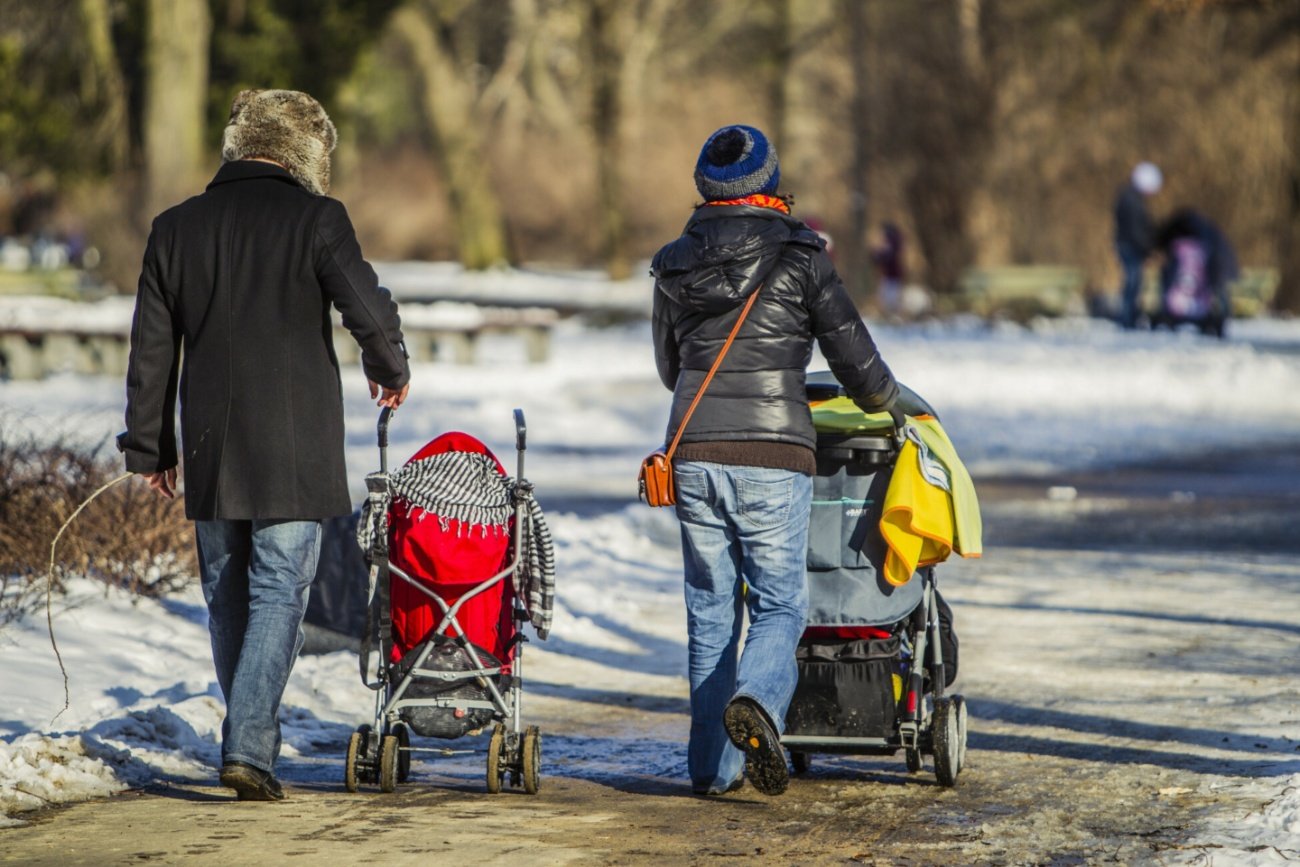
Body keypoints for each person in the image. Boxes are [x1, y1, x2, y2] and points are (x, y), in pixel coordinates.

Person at [118, 89, 411, 802]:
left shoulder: (176, 227)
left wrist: (151, 445)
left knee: (227, 591)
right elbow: (366, 307)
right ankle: (249, 743)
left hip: (213, 443)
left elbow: (152, 347)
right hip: (294, 442)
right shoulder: (318, 218)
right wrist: (390, 368)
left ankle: (248, 736)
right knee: (280, 586)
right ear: (307, 153)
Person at [650, 124, 899, 797]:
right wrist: (883, 399)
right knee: (780, 604)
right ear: (768, 179)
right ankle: (759, 699)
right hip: (773, 451)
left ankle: (712, 768)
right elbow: (855, 355)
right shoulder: (801, 254)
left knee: (709, 613)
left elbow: (670, 367)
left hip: (695, 452)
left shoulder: (674, 261)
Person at [1114, 161, 1163, 329]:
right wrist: (1147, 247)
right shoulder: (1132, 200)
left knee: (1134, 281)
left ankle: (1130, 316)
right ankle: (1127, 317)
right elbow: (1135, 229)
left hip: (1129, 245)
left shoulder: (1131, 198)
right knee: (1133, 281)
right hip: (1130, 246)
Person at [870, 221, 906, 320]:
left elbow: (885, 257)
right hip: (889, 275)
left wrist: (877, 254)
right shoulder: (894, 242)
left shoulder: (891, 242)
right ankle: (890, 317)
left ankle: (894, 317)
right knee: (886, 298)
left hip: (891, 276)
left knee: (891, 299)